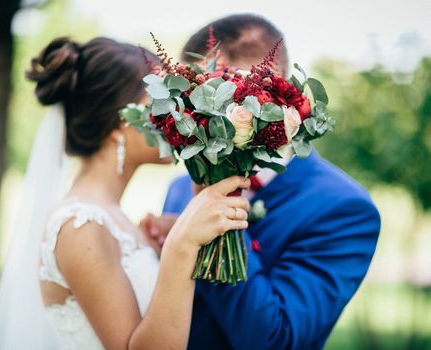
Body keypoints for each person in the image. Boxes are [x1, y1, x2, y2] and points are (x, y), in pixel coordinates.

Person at [0, 36, 251, 350]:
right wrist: (183, 245)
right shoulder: (79, 226)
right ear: (118, 120)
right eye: (163, 102)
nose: (179, 116)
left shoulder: (114, 219)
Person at [141, 14, 381, 350]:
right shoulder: (181, 188)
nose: (199, 119)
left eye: (218, 99)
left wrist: (213, 229)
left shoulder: (344, 209)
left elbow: (275, 340)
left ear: (278, 98)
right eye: (190, 101)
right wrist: (170, 243)